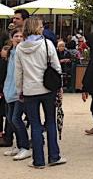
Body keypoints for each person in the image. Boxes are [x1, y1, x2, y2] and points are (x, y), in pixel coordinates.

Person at [15, 17, 66, 168]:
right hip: (48, 87)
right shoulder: (47, 44)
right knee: (50, 122)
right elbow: (57, 67)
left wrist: (20, 91)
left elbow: (18, 73)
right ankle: (54, 156)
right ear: (38, 28)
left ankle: (38, 160)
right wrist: (59, 87)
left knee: (35, 124)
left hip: (30, 89)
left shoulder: (20, 48)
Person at [3, 29, 31, 160]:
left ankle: (25, 146)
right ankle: (19, 146)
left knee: (16, 119)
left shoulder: (24, 53)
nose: (19, 38)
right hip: (9, 90)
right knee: (10, 119)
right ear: (11, 38)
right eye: (16, 36)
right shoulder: (10, 53)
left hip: (20, 91)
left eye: (21, 36)